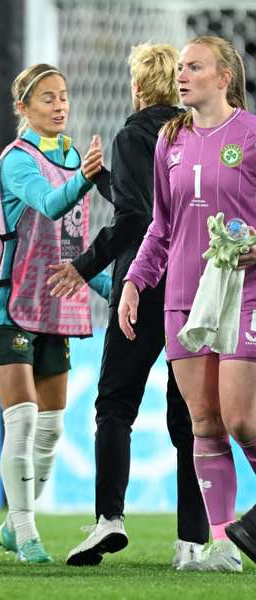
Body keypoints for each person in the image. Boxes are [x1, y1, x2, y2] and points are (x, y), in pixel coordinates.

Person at [51, 43, 209, 568]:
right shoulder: (199, 135)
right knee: (189, 415)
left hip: (143, 286)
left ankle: (109, 520)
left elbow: (136, 217)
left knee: (115, 406)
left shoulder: (134, 132)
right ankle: (192, 543)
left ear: (139, 87)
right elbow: (158, 203)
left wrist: (83, 265)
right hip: (195, 288)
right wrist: (102, 182)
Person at [119, 36, 256, 573]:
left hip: (242, 293)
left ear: (223, 78)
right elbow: (162, 224)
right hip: (183, 296)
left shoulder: (249, 134)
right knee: (204, 421)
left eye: (194, 67)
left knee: (242, 421)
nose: (182, 75)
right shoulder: (169, 139)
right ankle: (223, 545)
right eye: (180, 67)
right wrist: (135, 281)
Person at [0, 63, 106, 564]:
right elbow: (48, 205)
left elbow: (75, 248)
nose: (60, 105)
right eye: (47, 98)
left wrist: (126, 286)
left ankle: (10, 523)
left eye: (63, 96)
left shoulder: (71, 156)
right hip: (8, 304)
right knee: (22, 421)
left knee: (51, 430)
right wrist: (87, 179)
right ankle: (26, 532)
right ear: (22, 108)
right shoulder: (18, 160)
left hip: (56, 305)